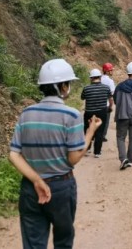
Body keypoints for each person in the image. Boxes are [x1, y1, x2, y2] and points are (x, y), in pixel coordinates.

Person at [9, 58, 103, 249]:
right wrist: (90, 132)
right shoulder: (71, 115)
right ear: (62, 86)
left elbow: (14, 154)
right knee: (63, 241)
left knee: (33, 244)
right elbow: (74, 158)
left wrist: (36, 180)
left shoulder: (26, 113)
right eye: (67, 83)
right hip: (61, 188)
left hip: (30, 189)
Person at [81, 69, 112, 158]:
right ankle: (97, 152)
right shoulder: (106, 88)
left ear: (91, 78)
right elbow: (110, 99)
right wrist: (110, 107)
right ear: (100, 77)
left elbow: (82, 98)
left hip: (89, 112)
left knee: (88, 129)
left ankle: (87, 149)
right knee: (100, 131)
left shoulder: (86, 88)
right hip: (102, 111)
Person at [100, 62, 116, 142]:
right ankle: (102, 136)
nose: (112, 71)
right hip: (106, 104)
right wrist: (111, 106)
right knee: (105, 121)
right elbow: (112, 93)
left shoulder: (99, 79)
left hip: (98, 103)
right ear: (107, 71)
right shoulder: (110, 81)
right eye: (111, 70)